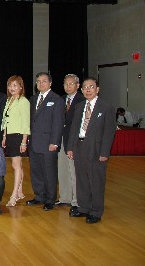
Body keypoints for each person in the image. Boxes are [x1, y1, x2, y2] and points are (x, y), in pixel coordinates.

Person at [67, 77, 117, 224]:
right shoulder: (79, 106)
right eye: (85, 87)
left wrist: (104, 152)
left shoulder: (106, 107)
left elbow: (109, 132)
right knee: (81, 179)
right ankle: (83, 207)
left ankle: (96, 211)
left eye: (91, 87)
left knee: (96, 180)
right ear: (81, 90)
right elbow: (74, 129)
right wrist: (70, 147)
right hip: (79, 146)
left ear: (97, 89)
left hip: (96, 149)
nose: (88, 90)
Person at [26, 72, 64, 211]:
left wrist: (55, 142)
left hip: (49, 143)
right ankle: (39, 196)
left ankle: (50, 198)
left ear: (50, 83)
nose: (40, 84)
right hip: (34, 142)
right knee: (36, 171)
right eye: (38, 81)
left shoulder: (57, 99)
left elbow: (58, 123)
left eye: (43, 81)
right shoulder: (33, 99)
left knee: (49, 172)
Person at [1, 75, 30, 207]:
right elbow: (6, 120)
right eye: (10, 85)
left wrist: (24, 141)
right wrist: (4, 136)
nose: (12, 88)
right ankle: (20, 191)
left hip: (19, 136)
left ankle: (13, 197)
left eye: (15, 85)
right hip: (10, 135)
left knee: (15, 165)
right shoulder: (9, 100)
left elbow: (25, 123)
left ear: (20, 87)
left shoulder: (23, 101)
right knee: (18, 165)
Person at [57, 74, 85, 210]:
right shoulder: (61, 100)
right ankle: (65, 197)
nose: (68, 87)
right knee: (62, 169)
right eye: (66, 84)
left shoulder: (82, 100)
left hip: (74, 140)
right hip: (61, 139)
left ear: (78, 85)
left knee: (74, 170)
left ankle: (76, 200)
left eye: (71, 84)